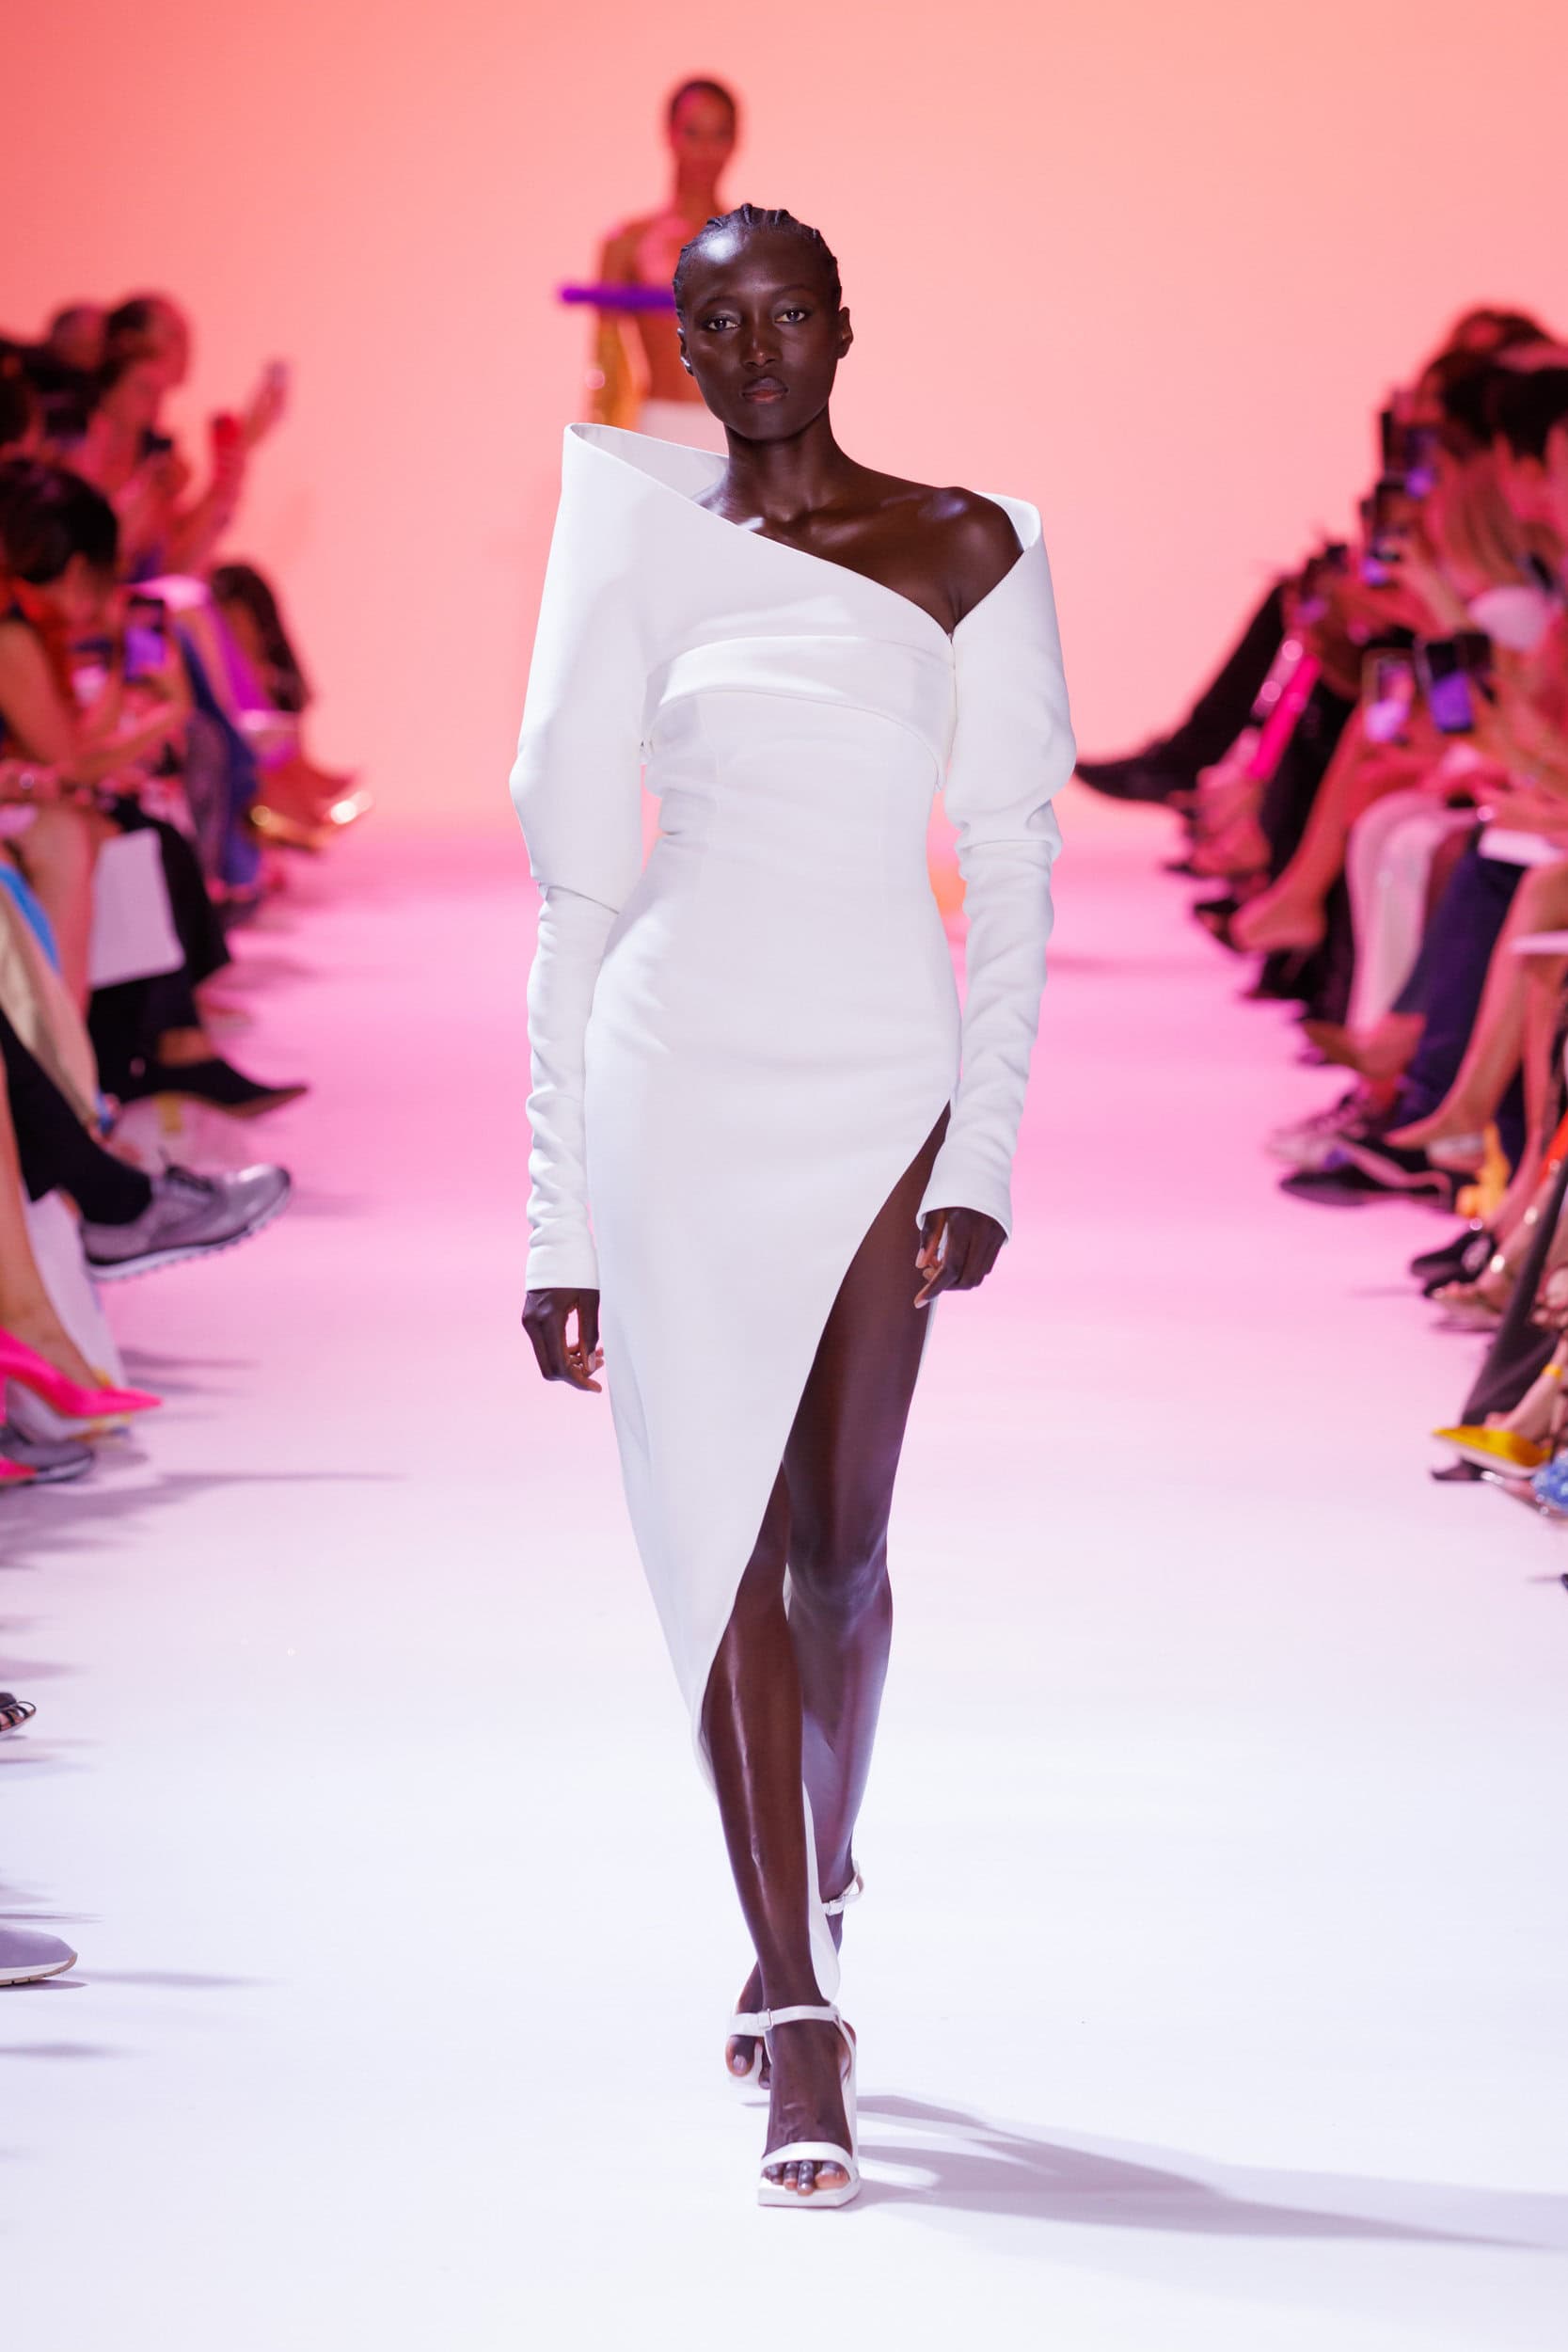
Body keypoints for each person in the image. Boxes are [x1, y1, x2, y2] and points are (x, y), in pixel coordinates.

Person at [513, 203, 1073, 2205]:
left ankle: (817, 1871)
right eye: (716, 324)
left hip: (878, 1076)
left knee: (840, 1546)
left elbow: (1010, 864)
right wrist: (556, 1221)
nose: (752, 352)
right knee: (730, 1535)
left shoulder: (969, 543)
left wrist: (983, 1150)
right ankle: (800, 2008)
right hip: (671, 1068)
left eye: (783, 317)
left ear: (841, 327)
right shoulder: (634, 544)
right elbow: (577, 892)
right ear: (679, 346)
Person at [587, 79, 739, 450]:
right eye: (692, 132)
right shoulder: (628, 243)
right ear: (670, 134)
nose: (705, 150)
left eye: (719, 134)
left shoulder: (752, 244)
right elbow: (608, 365)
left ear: (735, 140)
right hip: (658, 427)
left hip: (737, 430)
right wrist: (597, 448)